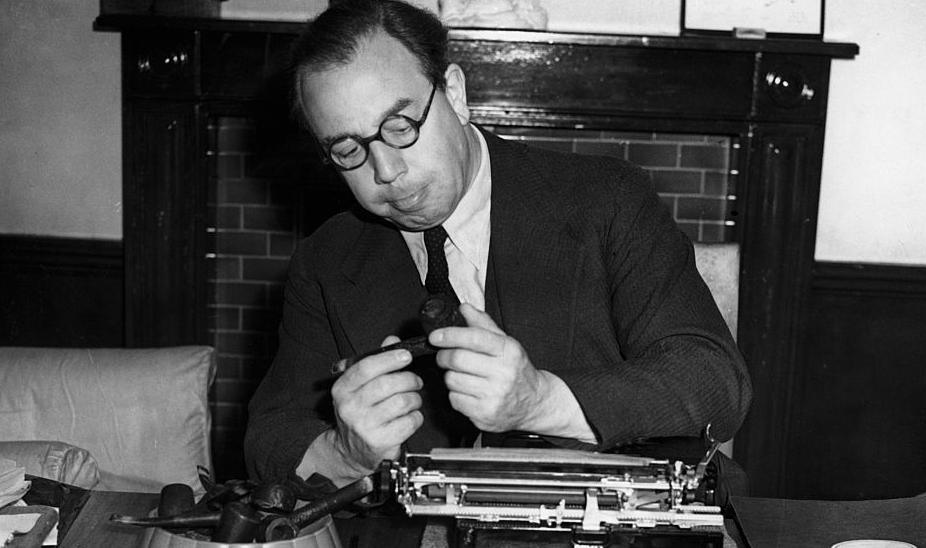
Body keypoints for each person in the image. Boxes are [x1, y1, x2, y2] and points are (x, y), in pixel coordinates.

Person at [245, 0, 751, 489]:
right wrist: (344, 452)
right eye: (348, 150)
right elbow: (270, 441)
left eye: (400, 127)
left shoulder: (608, 200)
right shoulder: (326, 260)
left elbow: (714, 378)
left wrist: (540, 400)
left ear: (455, 94)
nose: (386, 171)